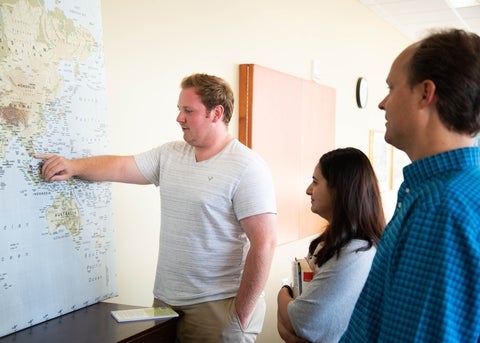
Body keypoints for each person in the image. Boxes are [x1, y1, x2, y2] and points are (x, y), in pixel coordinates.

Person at [36, 73, 277, 342]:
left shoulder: (247, 167)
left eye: (188, 110)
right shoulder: (170, 154)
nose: (179, 118)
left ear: (216, 113)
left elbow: (264, 243)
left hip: (216, 307)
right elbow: (120, 166)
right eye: (179, 110)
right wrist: (73, 166)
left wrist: (240, 314)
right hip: (165, 302)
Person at [340, 28, 480, 342]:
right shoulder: (456, 191)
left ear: (425, 93)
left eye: (391, 87)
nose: (382, 103)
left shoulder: (440, 207)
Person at [277, 147, 385, 343]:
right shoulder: (333, 243)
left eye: (316, 182)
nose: (308, 190)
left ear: (339, 190)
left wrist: (282, 293)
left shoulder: (356, 253)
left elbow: (298, 322)